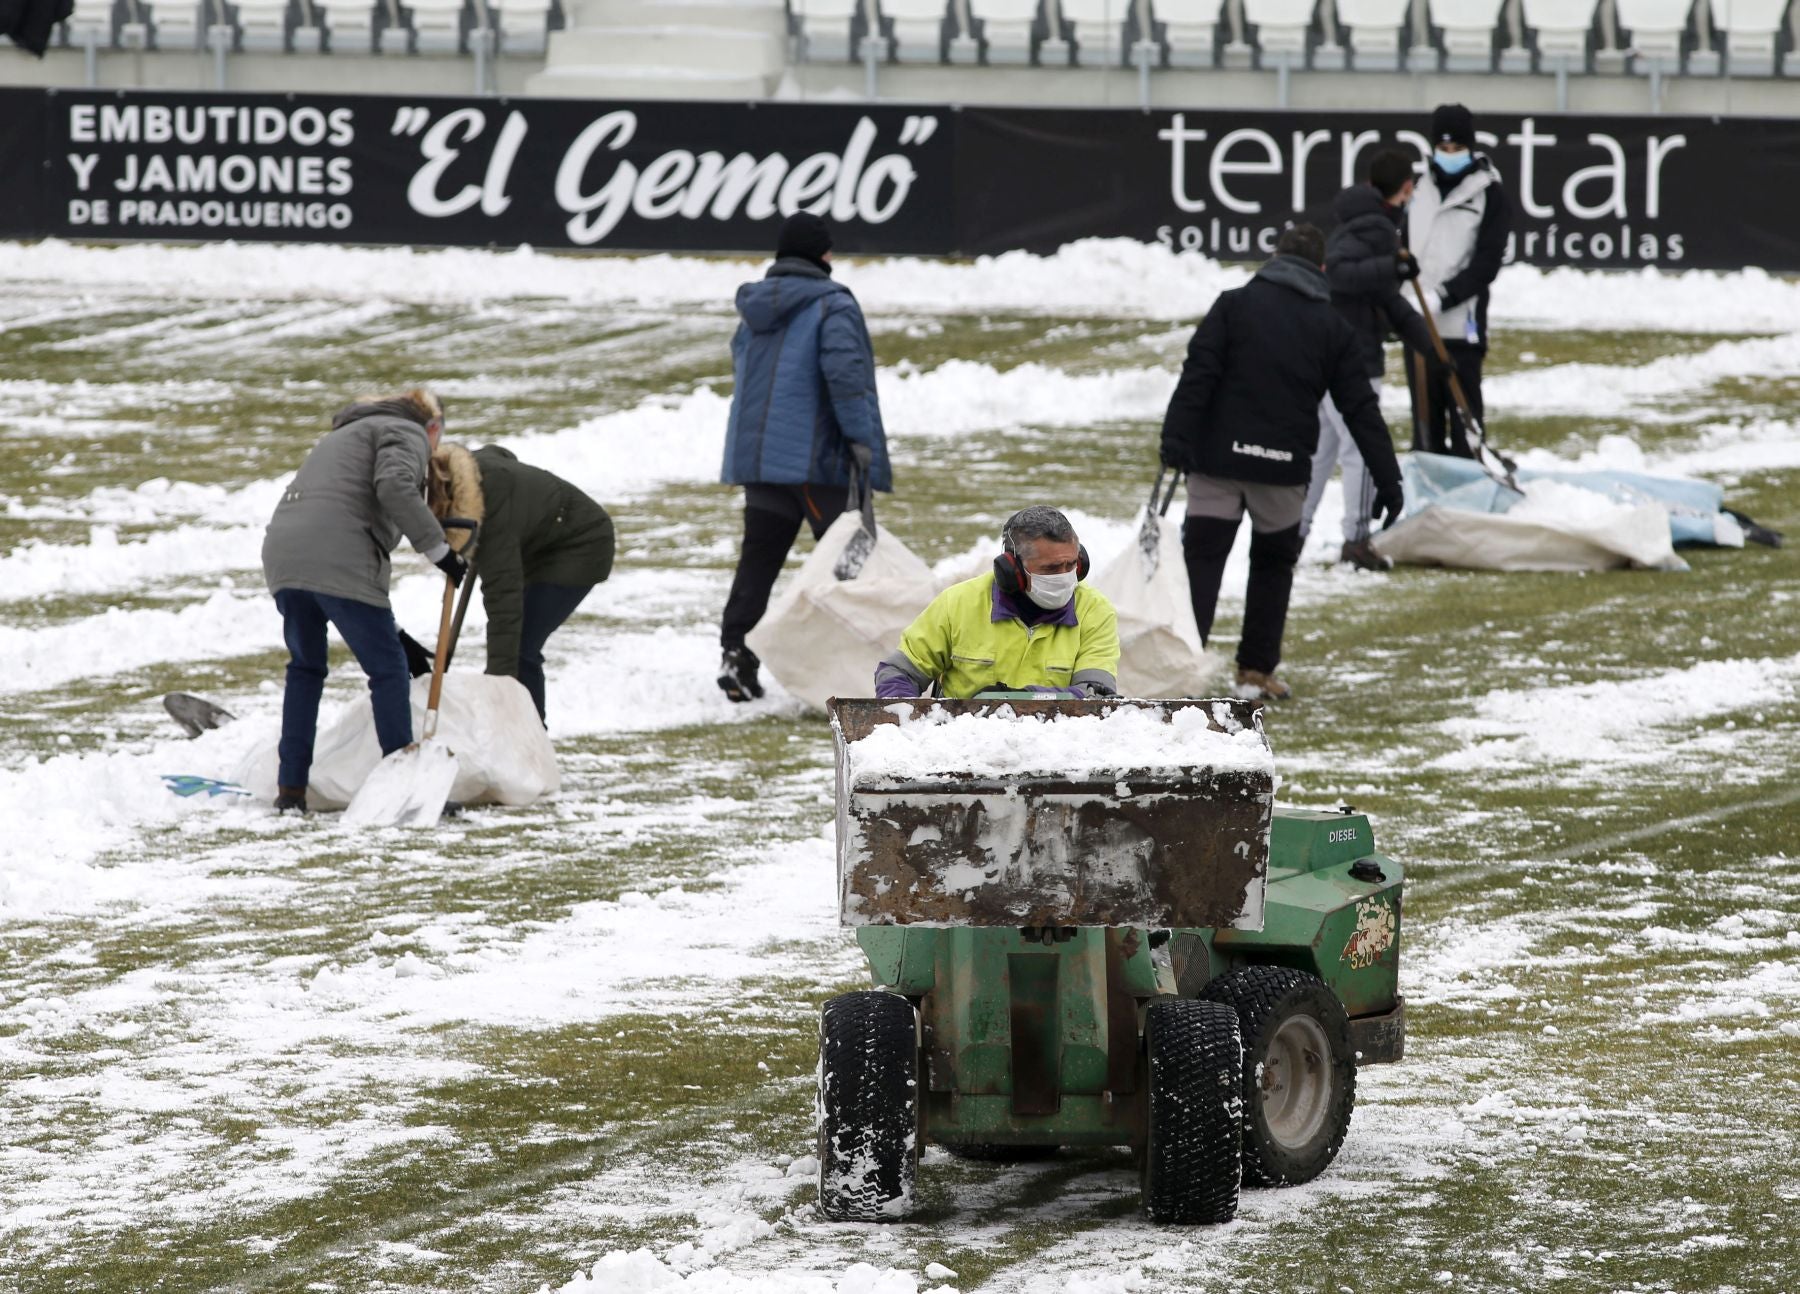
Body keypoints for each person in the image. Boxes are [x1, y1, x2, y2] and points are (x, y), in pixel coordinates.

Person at [1159, 226, 1404, 703]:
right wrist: (1388, 477)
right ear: (1323, 269)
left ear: (1275, 257)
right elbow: (1360, 409)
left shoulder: (1232, 304)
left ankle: (1184, 667)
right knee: (1273, 566)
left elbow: (1198, 373)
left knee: (1203, 561)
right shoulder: (1331, 327)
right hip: (1283, 468)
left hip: (1217, 461)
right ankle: (1255, 673)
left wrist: (1175, 438)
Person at [261, 387, 465, 814]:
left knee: (306, 669)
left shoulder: (343, 435)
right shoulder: (406, 432)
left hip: (285, 555)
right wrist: (440, 551)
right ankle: (403, 787)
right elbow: (393, 485)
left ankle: (291, 793)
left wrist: (389, 629)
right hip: (340, 554)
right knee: (388, 671)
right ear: (433, 427)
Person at [717, 211, 891, 703]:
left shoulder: (755, 308)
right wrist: (861, 444)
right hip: (821, 463)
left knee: (759, 562)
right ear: (822, 255)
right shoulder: (833, 304)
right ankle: (856, 666)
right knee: (850, 565)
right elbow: (846, 378)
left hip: (763, 463)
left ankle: (737, 655)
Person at [1300, 147, 1444, 572]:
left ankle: (1294, 532)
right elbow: (1340, 276)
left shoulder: (1363, 221)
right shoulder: (1376, 228)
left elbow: (1385, 301)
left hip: (1331, 354)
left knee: (1323, 450)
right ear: (1404, 188)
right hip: (1354, 359)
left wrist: (1431, 351)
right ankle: (1357, 538)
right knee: (1358, 451)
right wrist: (1391, 267)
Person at [420, 442, 614, 725]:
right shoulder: (464, 471)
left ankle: (528, 736)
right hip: (540, 539)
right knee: (519, 641)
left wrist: (498, 685)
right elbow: (498, 453)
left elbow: (504, 603)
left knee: (521, 645)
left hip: (581, 544)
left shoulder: (493, 516)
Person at [875, 506, 1119, 700]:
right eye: (1051, 568)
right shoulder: (957, 604)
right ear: (1012, 570)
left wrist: (1008, 703)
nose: (1065, 575)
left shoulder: (1096, 612)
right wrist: (904, 718)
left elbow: (1096, 696)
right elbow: (898, 673)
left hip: (1057, 748)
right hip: (960, 746)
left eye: (1071, 565)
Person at [1403, 103, 1513, 458]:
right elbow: (1404, 247)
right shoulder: (1419, 188)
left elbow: (1487, 264)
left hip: (1461, 328)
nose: (1449, 155)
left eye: (1457, 149)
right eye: (1443, 148)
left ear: (1470, 147)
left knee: (1465, 428)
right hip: (1418, 326)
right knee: (1424, 431)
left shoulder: (1489, 194)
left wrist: (1443, 297)